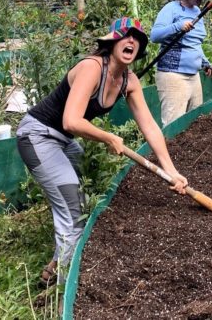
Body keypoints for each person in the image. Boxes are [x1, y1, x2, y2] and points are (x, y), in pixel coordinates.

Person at [16, 17, 188, 288]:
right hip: (38, 136)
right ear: (112, 41)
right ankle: (61, 285)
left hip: (65, 140)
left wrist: (171, 170)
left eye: (137, 38)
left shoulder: (128, 82)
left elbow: (150, 127)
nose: (132, 41)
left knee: (88, 195)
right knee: (74, 209)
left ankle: (54, 266)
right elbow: (71, 120)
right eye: (126, 36)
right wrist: (108, 137)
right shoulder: (91, 67)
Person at [151, 0, 212, 126]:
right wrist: (178, 26)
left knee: (195, 122)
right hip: (173, 75)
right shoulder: (172, 9)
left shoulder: (197, 11)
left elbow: (194, 43)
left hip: (193, 76)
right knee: (173, 124)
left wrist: (205, 63)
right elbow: (154, 36)